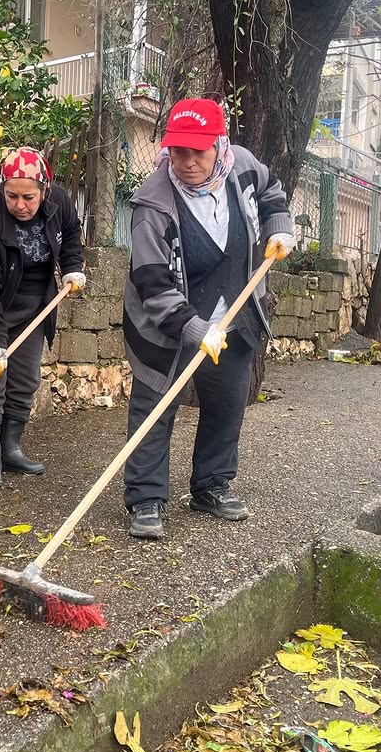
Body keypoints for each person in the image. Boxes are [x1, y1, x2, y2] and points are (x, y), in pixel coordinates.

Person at [121, 98, 296, 539]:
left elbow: (272, 192)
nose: (188, 162)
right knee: (153, 409)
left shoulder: (244, 167)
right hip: (166, 326)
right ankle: (146, 499)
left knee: (226, 403)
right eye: (178, 151)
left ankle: (211, 486)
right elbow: (152, 284)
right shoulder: (153, 204)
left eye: (198, 151)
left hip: (235, 313)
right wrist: (195, 329)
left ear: (220, 145)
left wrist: (279, 225)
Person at [0, 148, 85, 488]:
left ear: (44, 190)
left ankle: (10, 449)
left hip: (34, 307)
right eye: (12, 196)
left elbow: (71, 235)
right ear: (2, 189)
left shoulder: (60, 204)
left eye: (28, 197)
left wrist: (72, 268)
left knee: (24, 380)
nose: (20, 205)